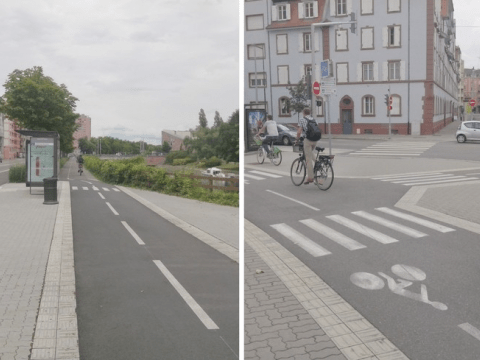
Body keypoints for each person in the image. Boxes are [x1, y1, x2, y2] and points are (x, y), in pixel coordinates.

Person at [295, 108, 320, 185]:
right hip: (315, 139)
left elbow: (299, 131)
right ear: (310, 113)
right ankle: (318, 162)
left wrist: (297, 139)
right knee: (309, 153)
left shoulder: (302, 119)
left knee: (308, 159)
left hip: (308, 140)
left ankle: (310, 177)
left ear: (303, 113)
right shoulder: (314, 119)